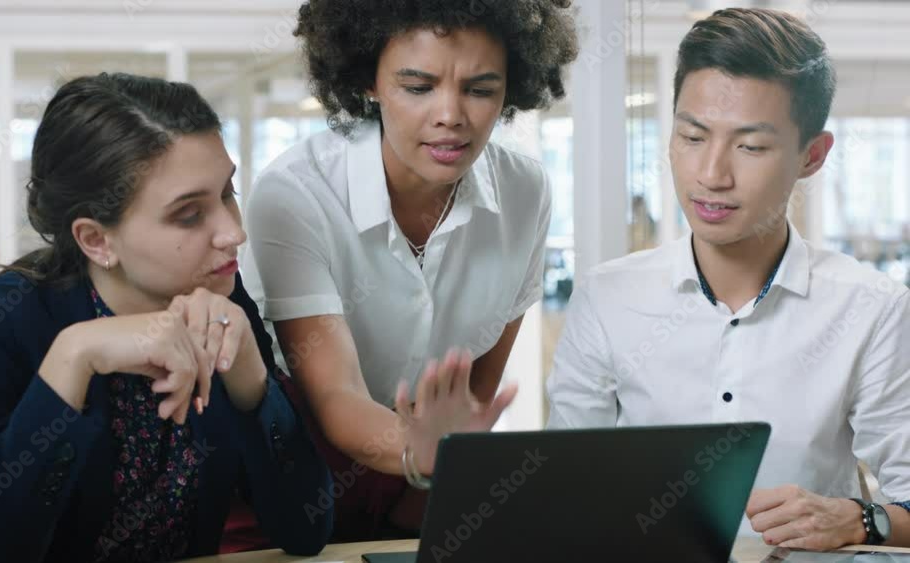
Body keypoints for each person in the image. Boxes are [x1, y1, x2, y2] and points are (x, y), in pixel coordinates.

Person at [0, 73, 332, 563]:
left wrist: (251, 378)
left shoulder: (221, 299)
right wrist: (74, 356)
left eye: (227, 193)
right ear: (96, 240)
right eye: (190, 214)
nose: (232, 232)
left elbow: (306, 530)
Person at [546, 7, 910, 551]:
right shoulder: (608, 296)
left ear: (812, 155)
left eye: (750, 146)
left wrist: (859, 519)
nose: (712, 175)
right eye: (692, 137)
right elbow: (559, 489)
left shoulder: (872, 307)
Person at [238, 0, 579, 541]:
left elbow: (472, 397)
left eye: (481, 89)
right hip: (298, 471)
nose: (451, 115)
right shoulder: (299, 193)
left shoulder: (525, 192)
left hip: (430, 475)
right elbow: (336, 396)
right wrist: (423, 454)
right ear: (368, 80)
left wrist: (432, 482)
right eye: (418, 87)